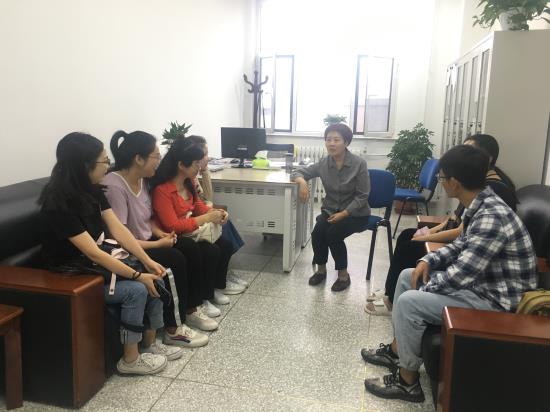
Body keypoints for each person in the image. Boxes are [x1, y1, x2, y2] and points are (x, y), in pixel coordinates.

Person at [362, 144, 537, 403]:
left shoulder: (491, 217)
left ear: (454, 182)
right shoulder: (481, 203)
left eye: (441, 177)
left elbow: (460, 275)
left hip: (496, 301)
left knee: (410, 301)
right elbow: (460, 245)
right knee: (407, 275)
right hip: (481, 286)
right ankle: (397, 351)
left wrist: (425, 289)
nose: (440, 181)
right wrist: (428, 259)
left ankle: (407, 382)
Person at [39, 132, 184, 375]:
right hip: (73, 273)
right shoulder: (58, 203)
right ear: (84, 165)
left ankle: (150, 344)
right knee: (137, 289)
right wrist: (137, 276)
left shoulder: (93, 190)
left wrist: (147, 262)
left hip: (96, 262)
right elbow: (93, 253)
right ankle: (130, 360)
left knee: (156, 273)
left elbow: (118, 229)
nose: (108, 166)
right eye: (104, 161)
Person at [366, 133, 518, 316]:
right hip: (476, 271)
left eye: (468, 150)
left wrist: (424, 289)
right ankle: (392, 294)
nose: (463, 155)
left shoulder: (491, 201)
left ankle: (393, 299)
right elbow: (459, 231)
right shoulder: (479, 193)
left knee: (410, 255)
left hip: (490, 292)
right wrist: (428, 249)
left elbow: (463, 262)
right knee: (408, 239)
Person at [104, 130, 214, 346]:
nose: (160, 161)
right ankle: (173, 329)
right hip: (129, 250)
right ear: (139, 159)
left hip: (149, 240)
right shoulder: (115, 186)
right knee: (175, 259)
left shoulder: (143, 181)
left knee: (190, 247)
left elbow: (148, 219)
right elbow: (119, 236)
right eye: (156, 156)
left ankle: (190, 309)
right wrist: (156, 243)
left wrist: (158, 233)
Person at [151, 138, 237, 311]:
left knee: (226, 245)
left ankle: (211, 290)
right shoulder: (162, 191)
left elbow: (199, 207)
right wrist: (206, 218)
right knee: (209, 251)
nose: (199, 167)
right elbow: (173, 226)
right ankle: (199, 301)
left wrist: (217, 213)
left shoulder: (189, 182)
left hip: (191, 231)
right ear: (181, 165)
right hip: (174, 235)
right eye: (196, 163)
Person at [291, 123, 370, 292]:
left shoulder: (359, 164)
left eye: (336, 140)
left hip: (356, 214)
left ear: (346, 142)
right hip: (330, 211)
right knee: (318, 233)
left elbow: (363, 196)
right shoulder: (323, 163)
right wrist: (302, 182)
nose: (331, 144)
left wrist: (345, 213)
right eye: (328, 140)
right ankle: (321, 271)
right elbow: (297, 172)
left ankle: (343, 275)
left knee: (333, 234)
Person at [185, 134, 248, 288]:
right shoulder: (187, 178)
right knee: (223, 227)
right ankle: (221, 275)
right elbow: (206, 200)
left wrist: (205, 170)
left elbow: (207, 199)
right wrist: (210, 211)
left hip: (199, 213)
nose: (208, 157)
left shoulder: (193, 177)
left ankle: (223, 273)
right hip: (191, 221)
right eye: (205, 154)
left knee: (224, 221)